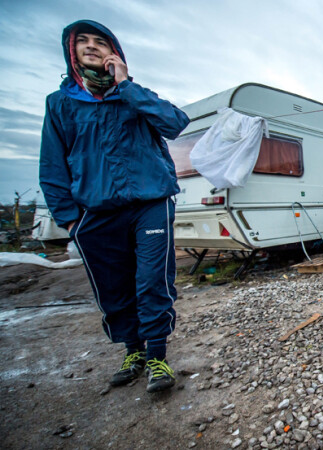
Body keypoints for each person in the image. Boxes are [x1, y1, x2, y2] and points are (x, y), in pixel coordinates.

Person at [39, 20, 189, 393]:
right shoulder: (60, 104)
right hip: (96, 211)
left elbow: (175, 124)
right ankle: (132, 351)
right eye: (83, 42)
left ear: (114, 53)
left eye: (100, 42)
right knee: (113, 287)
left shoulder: (134, 94)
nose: (91, 46)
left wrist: (126, 85)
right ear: (71, 51)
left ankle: (157, 355)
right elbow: (53, 165)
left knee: (152, 281)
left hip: (150, 202)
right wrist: (70, 220)